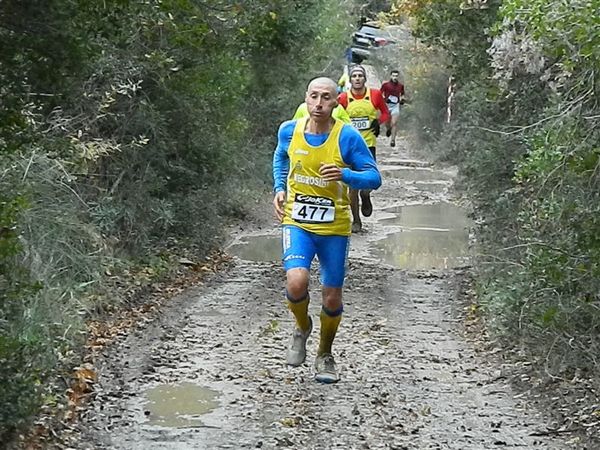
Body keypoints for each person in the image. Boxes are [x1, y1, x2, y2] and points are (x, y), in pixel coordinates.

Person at [272, 77, 382, 383]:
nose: (319, 104)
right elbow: (281, 157)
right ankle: (302, 326)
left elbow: (374, 178)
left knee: (332, 297)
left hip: (334, 226)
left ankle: (324, 354)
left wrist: (347, 175)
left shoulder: (347, 137)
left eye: (326, 98)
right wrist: (280, 187)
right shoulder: (289, 130)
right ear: (305, 99)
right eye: (314, 97)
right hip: (297, 221)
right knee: (296, 282)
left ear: (337, 102)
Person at [338, 65, 390, 233]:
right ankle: (356, 220)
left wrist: (378, 122)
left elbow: (385, 113)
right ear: (350, 79)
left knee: (366, 182)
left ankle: (366, 195)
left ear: (365, 79)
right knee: (352, 185)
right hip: (349, 147)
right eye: (354, 76)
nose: (358, 78)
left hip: (368, 146)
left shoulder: (374, 95)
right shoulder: (343, 98)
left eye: (361, 75)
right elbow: (335, 117)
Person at [380, 70, 406, 147]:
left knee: (394, 123)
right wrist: (384, 99)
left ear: (398, 77)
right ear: (391, 76)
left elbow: (402, 94)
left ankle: (393, 140)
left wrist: (402, 99)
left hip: (395, 105)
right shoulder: (385, 85)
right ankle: (388, 129)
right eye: (393, 76)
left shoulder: (400, 86)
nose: (395, 77)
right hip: (387, 105)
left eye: (396, 76)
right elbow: (380, 94)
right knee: (387, 122)